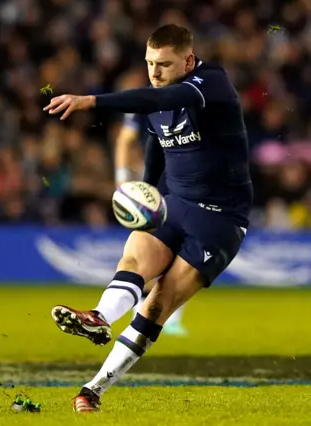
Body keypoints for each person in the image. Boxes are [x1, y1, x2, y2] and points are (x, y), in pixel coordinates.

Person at [44, 24, 252, 412]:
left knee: (158, 303)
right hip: (173, 205)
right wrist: (141, 197)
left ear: (188, 60)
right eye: (149, 63)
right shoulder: (159, 100)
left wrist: (91, 100)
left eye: (164, 64)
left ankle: (93, 389)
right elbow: (156, 156)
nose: (155, 73)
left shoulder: (211, 83)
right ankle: (99, 317)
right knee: (134, 260)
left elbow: (149, 99)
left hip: (219, 221)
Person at [115, 112, 188, 337]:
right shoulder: (149, 102)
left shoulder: (187, 97)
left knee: (176, 254)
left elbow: (125, 139)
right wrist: (122, 179)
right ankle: (144, 313)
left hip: (177, 183)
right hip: (154, 186)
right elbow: (125, 140)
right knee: (155, 252)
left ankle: (159, 316)